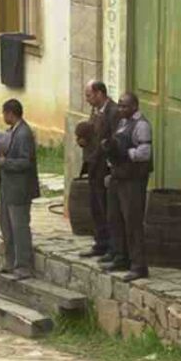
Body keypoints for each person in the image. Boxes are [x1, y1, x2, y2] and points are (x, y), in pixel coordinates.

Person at [100, 93, 153, 282]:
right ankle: (121, 256)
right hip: (118, 177)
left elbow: (145, 152)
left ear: (135, 106)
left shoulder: (142, 125)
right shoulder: (122, 123)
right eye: (120, 106)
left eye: (125, 106)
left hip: (133, 180)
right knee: (114, 217)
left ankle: (139, 265)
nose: (121, 109)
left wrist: (126, 153)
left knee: (132, 222)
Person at [0, 99, 40, 280]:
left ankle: (23, 265)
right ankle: (10, 261)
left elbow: (25, 162)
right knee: (6, 225)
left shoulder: (23, 134)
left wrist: (6, 163)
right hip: (7, 188)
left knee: (19, 227)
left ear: (10, 113)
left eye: (4, 113)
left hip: (19, 189)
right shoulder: (12, 132)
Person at [77, 80, 118, 258]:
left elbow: (114, 140)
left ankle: (111, 246)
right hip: (93, 165)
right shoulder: (95, 111)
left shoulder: (113, 112)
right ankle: (100, 242)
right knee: (96, 207)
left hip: (105, 167)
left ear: (100, 94)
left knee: (106, 207)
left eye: (89, 95)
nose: (87, 100)